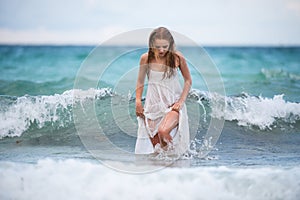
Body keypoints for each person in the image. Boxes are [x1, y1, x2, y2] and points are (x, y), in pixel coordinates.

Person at [135, 27, 192, 155]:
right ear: (151, 44)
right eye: (157, 46)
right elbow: (140, 82)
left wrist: (180, 102)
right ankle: (165, 169)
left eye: (165, 46)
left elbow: (188, 80)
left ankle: (175, 157)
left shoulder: (177, 57)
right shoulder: (146, 58)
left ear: (170, 45)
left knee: (163, 132)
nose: (161, 50)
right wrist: (138, 101)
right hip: (152, 107)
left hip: (172, 105)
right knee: (157, 148)